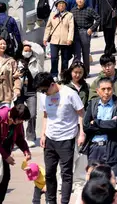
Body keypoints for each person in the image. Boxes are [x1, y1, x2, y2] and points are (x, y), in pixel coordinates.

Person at [34, 72, 86, 204]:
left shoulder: (69, 94)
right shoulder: (43, 95)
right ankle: (51, 201)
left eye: (45, 91)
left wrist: (81, 133)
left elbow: (81, 113)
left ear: (52, 84)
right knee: (50, 173)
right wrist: (43, 134)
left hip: (66, 139)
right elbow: (45, 115)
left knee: (66, 173)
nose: (44, 94)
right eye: (42, 91)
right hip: (50, 139)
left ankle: (64, 202)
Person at [0, 104, 32, 203]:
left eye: (22, 121)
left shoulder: (17, 121)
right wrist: (6, 157)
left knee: (5, 178)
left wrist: (26, 151)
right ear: (13, 116)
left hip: (4, 151)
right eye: (20, 120)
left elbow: (19, 138)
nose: (21, 122)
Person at [82, 77, 117, 181]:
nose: (106, 92)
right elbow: (86, 126)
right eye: (103, 89)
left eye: (109, 89)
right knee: (93, 181)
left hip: (112, 147)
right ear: (97, 91)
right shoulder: (92, 104)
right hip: (94, 148)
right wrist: (108, 124)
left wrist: (96, 122)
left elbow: (116, 126)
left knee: (112, 182)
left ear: (113, 89)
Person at [16, 40, 45, 147]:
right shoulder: (16, 60)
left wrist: (31, 43)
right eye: (25, 48)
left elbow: (41, 52)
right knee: (18, 115)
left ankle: (30, 136)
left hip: (31, 90)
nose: (27, 49)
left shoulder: (36, 60)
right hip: (19, 90)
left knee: (32, 114)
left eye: (29, 48)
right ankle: (19, 137)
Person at [43, 0, 74, 79]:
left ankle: (64, 75)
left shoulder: (69, 15)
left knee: (65, 59)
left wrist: (70, 39)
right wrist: (45, 38)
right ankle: (54, 74)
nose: (61, 5)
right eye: (59, 4)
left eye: (63, 4)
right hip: (54, 40)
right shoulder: (52, 14)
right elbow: (48, 27)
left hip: (65, 40)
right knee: (54, 58)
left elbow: (71, 28)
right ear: (56, 6)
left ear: (65, 6)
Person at [72, 0, 101, 77]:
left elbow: (98, 18)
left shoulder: (89, 10)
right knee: (76, 54)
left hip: (85, 32)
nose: (80, 0)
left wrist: (92, 29)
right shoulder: (73, 10)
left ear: (84, 0)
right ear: (76, 0)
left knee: (85, 53)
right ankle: (76, 72)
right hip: (76, 33)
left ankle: (86, 72)